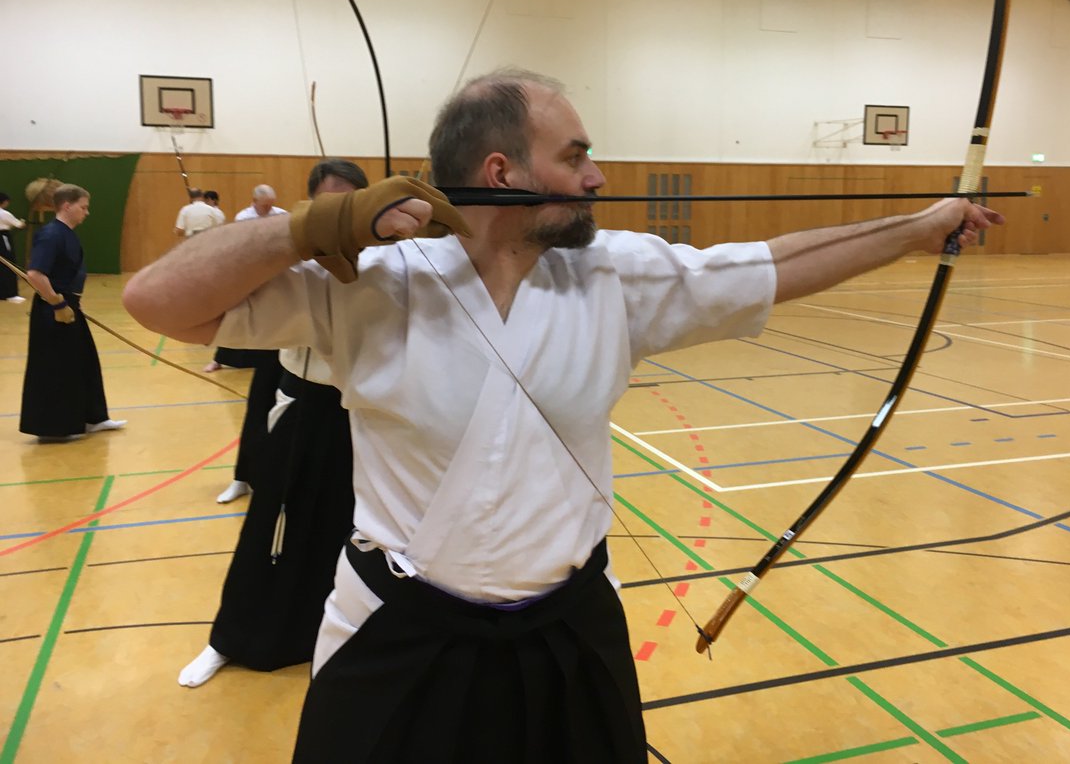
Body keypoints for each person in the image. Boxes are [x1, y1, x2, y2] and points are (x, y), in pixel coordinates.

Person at [123, 68, 1002, 761]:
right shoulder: (373, 282)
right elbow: (157, 303)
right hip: (396, 631)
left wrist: (920, 228)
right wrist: (311, 226)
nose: (599, 175)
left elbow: (766, 265)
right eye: (577, 155)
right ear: (501, 172)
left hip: (571, 630)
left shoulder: (616, 272)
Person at [179, 159, 367, 688]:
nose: (339, 215)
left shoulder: (385, 263)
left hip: (360, 414)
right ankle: (229, 639)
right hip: (302, 404)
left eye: (351, 204)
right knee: (268, 524)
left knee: (352, 532)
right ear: (309, 205)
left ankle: (336, 636)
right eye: (328, 204)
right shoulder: (287, 257)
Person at [21, 184, 126, 442]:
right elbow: (35, 274)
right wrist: (57, 304)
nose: (86, 213)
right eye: (83, 207)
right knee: (56, 367)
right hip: (53, 309)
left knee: (84, 361)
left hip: (68, 306)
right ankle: (54, 428)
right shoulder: (51, 234)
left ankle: (94, 417)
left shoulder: (65, 233)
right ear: (66, 205)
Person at [204, 185, 286, 378]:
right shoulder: (244, 217)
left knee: (274, 316)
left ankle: (276, 359)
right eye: (264, 205)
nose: (268, 209)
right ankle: (218, 359)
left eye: (270, 205)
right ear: (255, 201)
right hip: (249, 273)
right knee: (239, 315)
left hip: (274, 272)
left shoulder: (282, 215)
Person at [0, 191, 26, 303]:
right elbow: (19, 225)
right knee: (8, 264)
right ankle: (10, 294)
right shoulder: (4, 213)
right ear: (4, 202)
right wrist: (22, 222)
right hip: (2, 239)